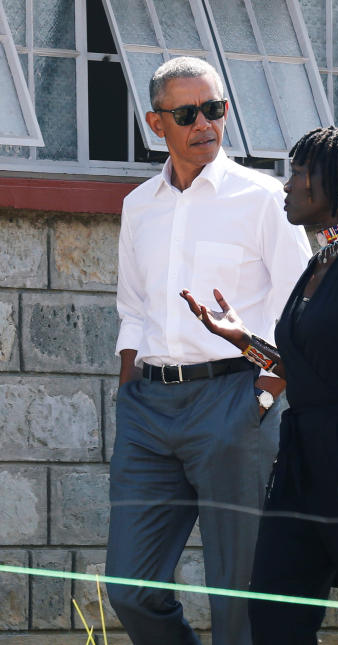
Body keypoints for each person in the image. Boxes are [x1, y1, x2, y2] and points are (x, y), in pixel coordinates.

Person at [181, 124, 338, 644]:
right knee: (276, 612)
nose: (286, 185)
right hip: (307, 456)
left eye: (299, 173)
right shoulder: (321, 261)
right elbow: (308, 369)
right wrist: (243, 340)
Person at [107, 57, 312, 645]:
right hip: (148, 409)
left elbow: (300, 306)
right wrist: (129, 394)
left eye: (215, 109)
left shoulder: (264, 198)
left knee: (237, 596)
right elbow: (133, 309)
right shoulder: (138, 205)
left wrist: (268, 393)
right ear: (156, 123)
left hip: (236, 402)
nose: (205, 124)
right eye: (187, 113)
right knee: (129, 588)